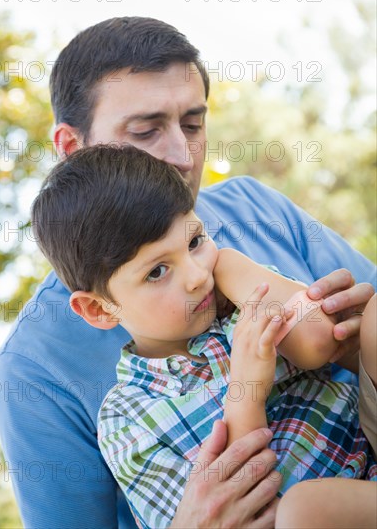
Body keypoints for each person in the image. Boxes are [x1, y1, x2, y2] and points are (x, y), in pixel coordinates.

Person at [0, 16, 375, 528]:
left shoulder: (250, 207)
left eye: (193, 124)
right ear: (71, 148)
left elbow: (343, 336)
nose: (181, 154)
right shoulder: (34, 370)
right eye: (146, 131)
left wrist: (350, 334)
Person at [30, 143, 377, 529]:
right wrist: (246, 391)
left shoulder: (237, 294)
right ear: (99, 309)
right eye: (157, 272)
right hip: (298, 514)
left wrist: (233, 266)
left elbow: (318, 342)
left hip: (370, 446)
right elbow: (238, 510)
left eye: (195, 242)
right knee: (305, 511)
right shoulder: (127, 418)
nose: (197, 276)